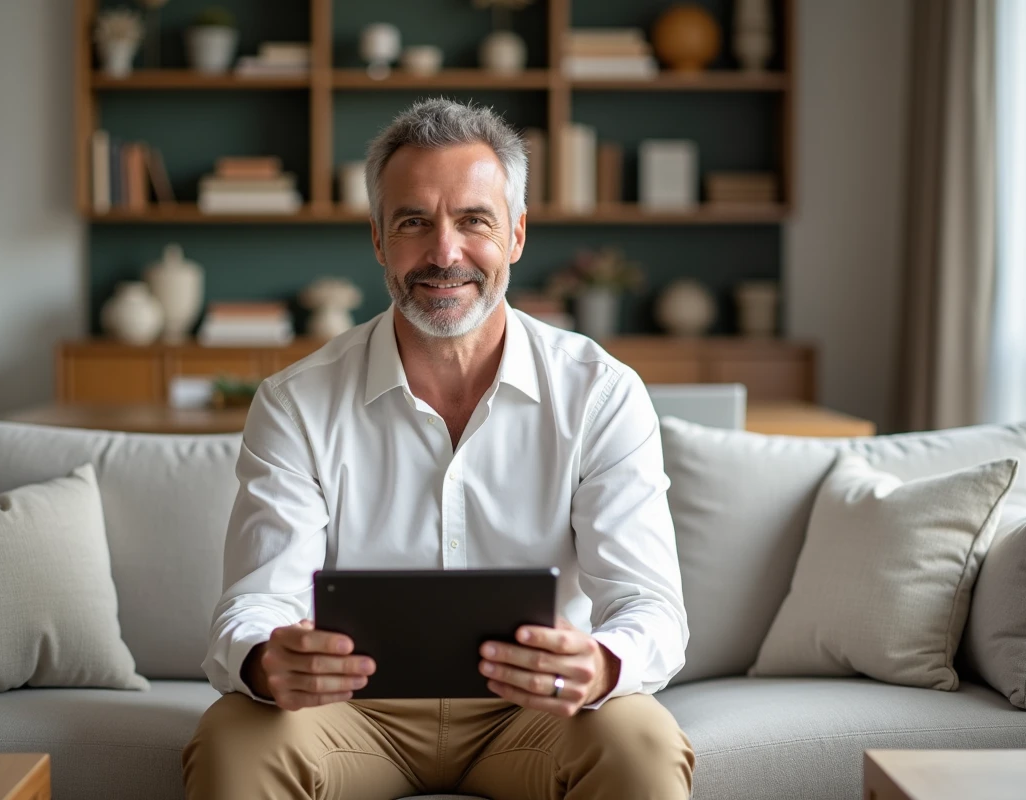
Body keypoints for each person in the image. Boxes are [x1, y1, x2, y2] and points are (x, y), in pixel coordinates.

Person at [183, 98, 695, 800]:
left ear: (516, 234)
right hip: (352, 714)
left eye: (474, 220)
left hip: (537, 712)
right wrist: (267, 662)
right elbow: (252, 606)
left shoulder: (600, 394)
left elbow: (650, 607)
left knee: (641, 741)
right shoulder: (295, 402)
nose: (445, 253)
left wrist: (602, 666)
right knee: (233, 738)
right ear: (377, 240)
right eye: (413, 222)